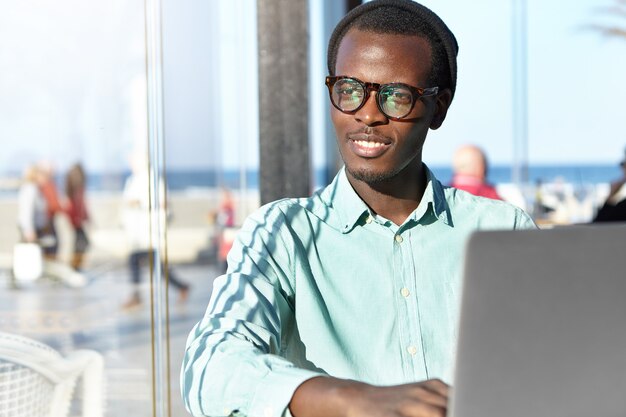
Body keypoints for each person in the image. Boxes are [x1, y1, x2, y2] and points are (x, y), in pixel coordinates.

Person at [181, 2, 536, 417]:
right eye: (349, 90)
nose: (368, 115)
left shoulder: (502, 229)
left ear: (437, 108)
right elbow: (207, 369)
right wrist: (350, 399)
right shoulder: (282, 233)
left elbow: (550, 367)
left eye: (396, 96)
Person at [121, 153, 190, 309]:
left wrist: (139, 204)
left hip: (149, 232)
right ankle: (181, 287)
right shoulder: (135, 179)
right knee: (150, 265)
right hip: (140, 233)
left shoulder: (152, 180)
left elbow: (162, 203)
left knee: (147, 265)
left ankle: (138, 295)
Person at [64, 163, 90, 270]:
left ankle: (76, 266)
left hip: (76, 219)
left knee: (80, 243)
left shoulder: (74, 186)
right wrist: (80, 218)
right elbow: (77, 205)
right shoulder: (77, 187)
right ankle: (75, 266)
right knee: (81, 243)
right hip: (76, 219)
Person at [36, 161, 63, 259]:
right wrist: (63, 207)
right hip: (47, 222)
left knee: (49, 247)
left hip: (46, 222)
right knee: (51, 247)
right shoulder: (47, 185)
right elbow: (53, 205)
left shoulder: (42, 185)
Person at [593, 147, 626, 222]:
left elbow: (597, 226)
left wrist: (610, 197)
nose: (622, 168)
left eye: (623, 164)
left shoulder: (622, 208)